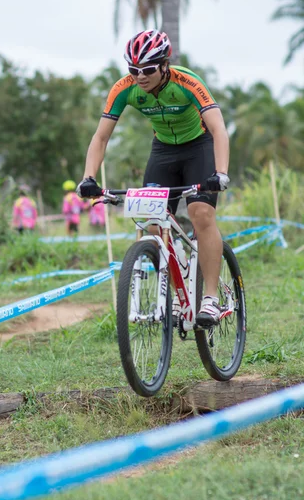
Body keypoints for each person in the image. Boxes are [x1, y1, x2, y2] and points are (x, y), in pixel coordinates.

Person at [76, 29, 230, 328]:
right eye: (133, 70)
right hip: (163, 151)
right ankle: (177, 293)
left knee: (201, 213)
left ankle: (210, 298)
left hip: (198, 147)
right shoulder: (124, 89)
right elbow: (101, 137)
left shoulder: (188, 82)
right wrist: (88, 178)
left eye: (147, 70)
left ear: (164, 64)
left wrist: (220, 173)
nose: (140, 77)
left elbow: (218, 128)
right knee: (151, 220)